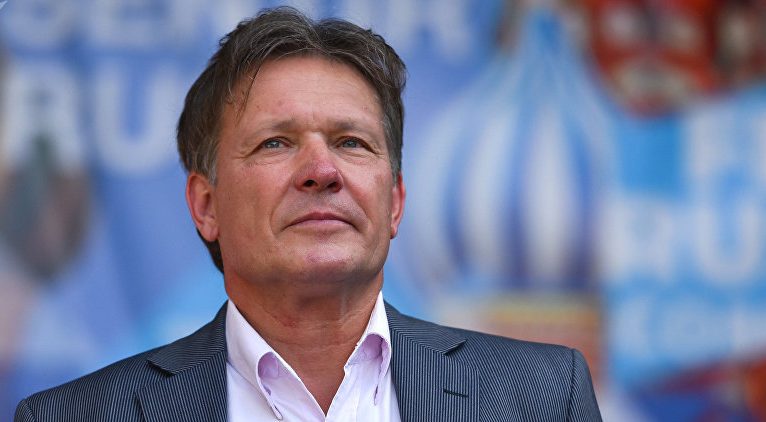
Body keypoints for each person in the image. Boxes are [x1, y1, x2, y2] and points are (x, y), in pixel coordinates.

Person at [15, 7, 602, 422]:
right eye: (276, 143)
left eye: (352, 142)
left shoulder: (541, 398)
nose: (322, 170)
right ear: (206, 205)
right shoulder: (78, 416)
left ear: (395, 202)